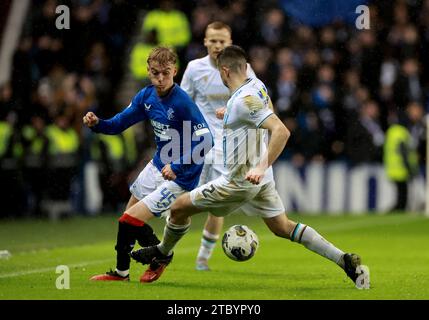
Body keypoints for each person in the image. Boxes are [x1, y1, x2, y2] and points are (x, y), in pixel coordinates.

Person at [130, 45, 370, 289]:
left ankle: (162, 254)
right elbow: (263, 112)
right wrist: (231, 115)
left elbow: (281, 131)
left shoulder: (244, 101)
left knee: (178, 207)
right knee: (283, 227)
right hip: (263, 181)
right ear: (244, 68)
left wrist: (260, 165)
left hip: (241, 180)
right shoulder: (257, 86)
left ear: (224, 71)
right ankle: (344, 260)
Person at [83, 46, 213, 283]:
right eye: (155, 73)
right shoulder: (146, 96)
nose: (160, 79)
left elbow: (206, 141)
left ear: (175, 70)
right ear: (148, 71)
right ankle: (123, 272)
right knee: (128, 219)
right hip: (157, 166)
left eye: (165, 73)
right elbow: (118, 124)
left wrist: (178, 166)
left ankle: (161, 256)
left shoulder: (182, 102)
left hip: (179, 176)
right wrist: (97, 123)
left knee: (128, 220)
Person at [180, 21, 255, 271]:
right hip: (199, 146)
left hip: (230, 147)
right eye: (212, 40)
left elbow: (257, 99)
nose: (217, 45)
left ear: (230, 42)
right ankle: (163, 250)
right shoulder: (194, 68)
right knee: (183, 201)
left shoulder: (243, 69)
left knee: (218, 205)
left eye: (222, 41)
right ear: (205, 41)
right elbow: (182, 104)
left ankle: (202, 258)